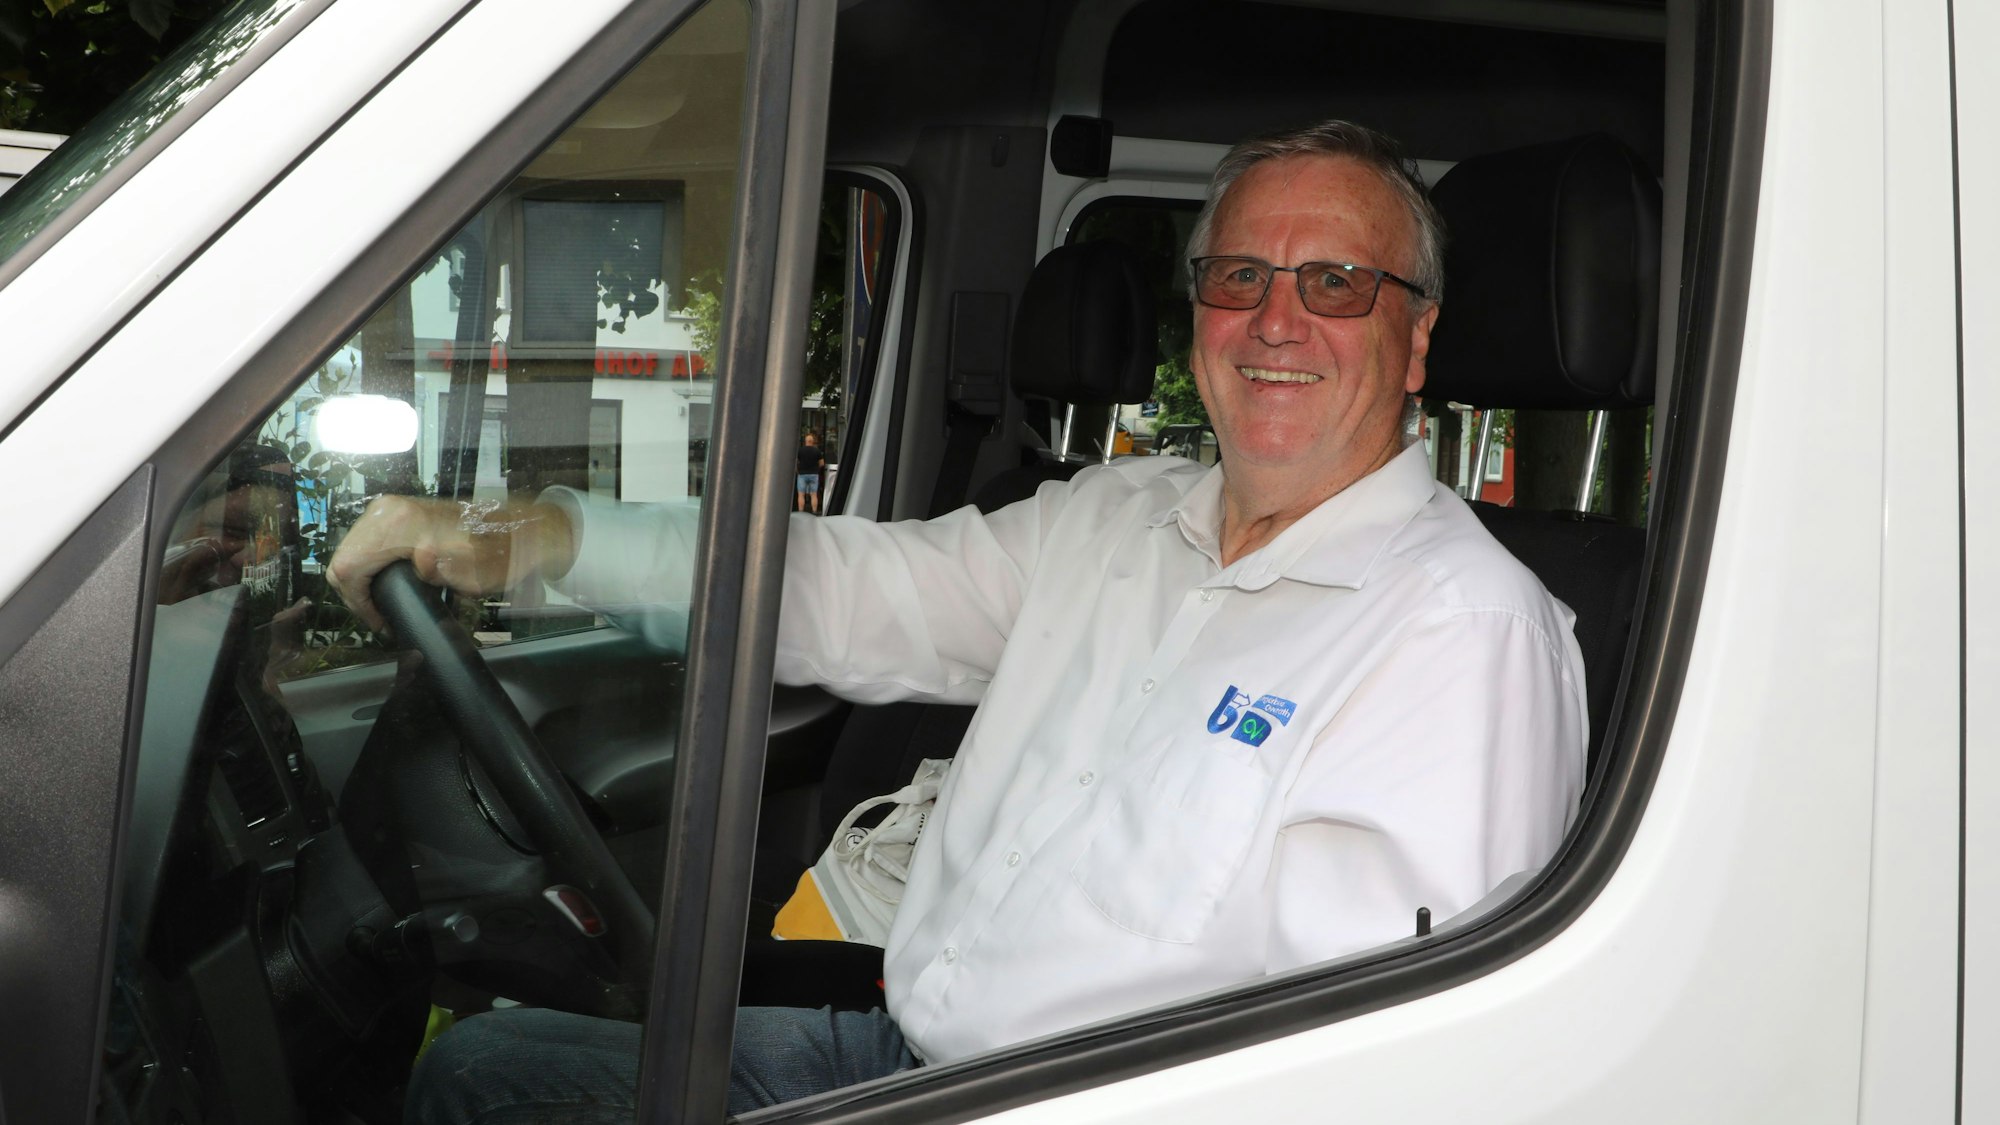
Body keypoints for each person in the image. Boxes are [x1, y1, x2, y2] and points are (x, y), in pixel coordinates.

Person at [329, 119, 1586, 1123]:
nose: (1274, 320)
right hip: (899, 1046)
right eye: (1238, 276)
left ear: (1415, 341)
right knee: (479, 1073)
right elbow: (841, 588)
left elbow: (1370, 1074)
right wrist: (538, 541)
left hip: (1027, 1104)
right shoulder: (1114, 520)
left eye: (1337, 283)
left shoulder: (1463, 638)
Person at [796, 431, 825, 513]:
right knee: (814, 495)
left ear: (805, 441)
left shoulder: (800, 451)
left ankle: (801, 511)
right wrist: (816, 469)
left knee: (801, 495)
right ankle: (814, 511)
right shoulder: (817, 451)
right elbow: (822, 463)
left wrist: (797, 470)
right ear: (812, 442)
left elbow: (796, 462)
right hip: (814, 474)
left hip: (802, 474)